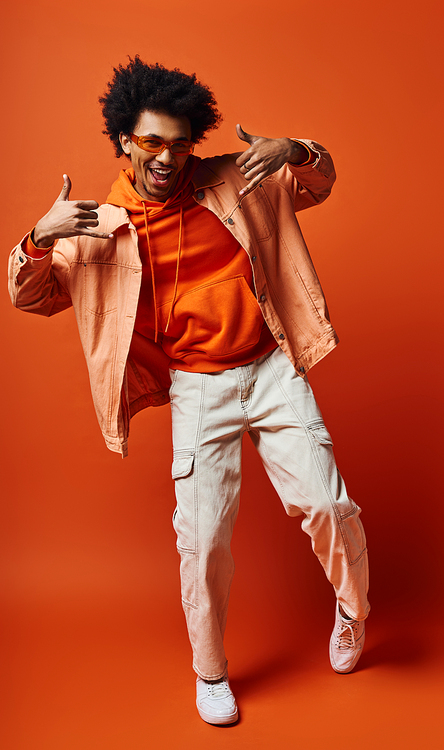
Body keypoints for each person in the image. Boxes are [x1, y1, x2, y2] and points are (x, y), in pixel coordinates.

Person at [8, 56, 370, 725]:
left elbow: (319, 182)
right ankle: (211, 674)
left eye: (179, 143)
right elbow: (30, 297)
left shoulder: (236, 177)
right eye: (152, 142)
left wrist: (298, 149)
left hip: (270, 367)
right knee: (203, 542)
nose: (167, 158)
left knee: (330, 504)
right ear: (124, 141)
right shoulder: (100, 224)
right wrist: (37, 239)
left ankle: (352, 608)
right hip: (199, 388)